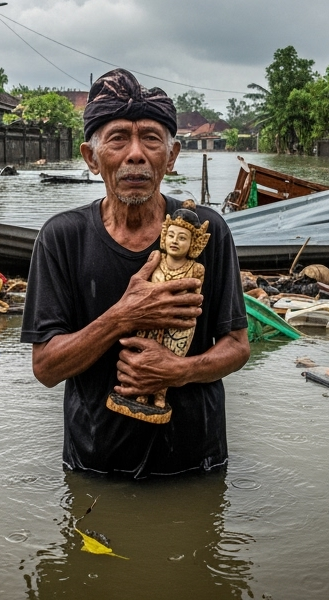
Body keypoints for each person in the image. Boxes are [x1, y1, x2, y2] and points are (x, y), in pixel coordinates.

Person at [23, 68, 249, 478]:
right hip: (96, 467)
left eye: (150, 138)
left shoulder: (206, 231)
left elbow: (236, 346)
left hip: (194, 465)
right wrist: (123, 316)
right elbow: (46, 368)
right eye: (117, 139)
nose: (135, 154)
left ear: (172, 155)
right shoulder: (62, 238)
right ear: (91, 157)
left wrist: (181, 371)